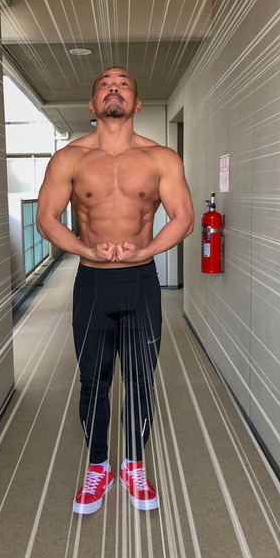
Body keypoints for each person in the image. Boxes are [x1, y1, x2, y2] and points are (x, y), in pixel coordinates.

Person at [37, 66, 194, 514]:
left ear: (136, 103)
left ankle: (133, 465)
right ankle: (99, 467)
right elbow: (46, 219)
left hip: (140, 282)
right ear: (93, 104)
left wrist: (147, 250)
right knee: (93, 381)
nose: (114, 88)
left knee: (140, 379)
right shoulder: (69, 159)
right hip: (92, 282)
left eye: (124, 83)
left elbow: (183, 217)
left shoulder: (162, 158)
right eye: (105, 83)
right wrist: (86, 248)